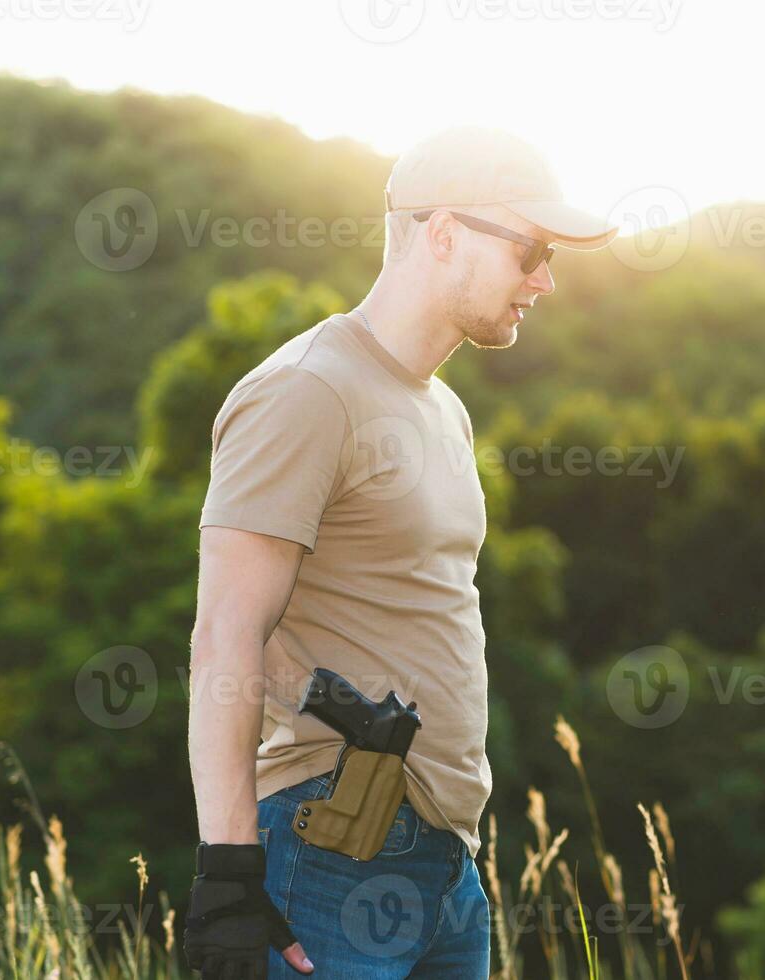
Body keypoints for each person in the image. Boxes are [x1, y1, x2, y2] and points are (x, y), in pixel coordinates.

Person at [182, 126, 617, 979]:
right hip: (330, 846)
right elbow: (223, 636)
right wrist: (229, 877)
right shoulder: (306, 390)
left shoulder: (441, 409)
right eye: (530, 248)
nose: (546, 279)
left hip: (446, 865)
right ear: (443, 232)